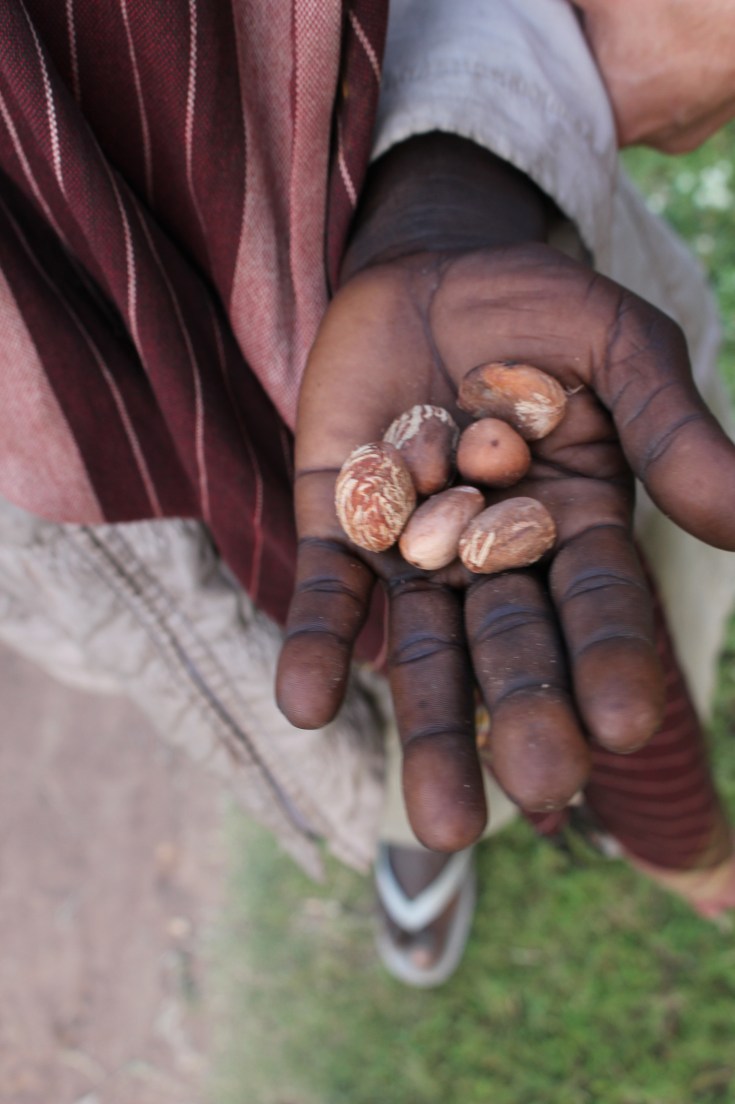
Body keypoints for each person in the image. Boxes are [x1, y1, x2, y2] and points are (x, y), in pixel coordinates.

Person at [0, 0, 733, 991]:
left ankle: (662, 829)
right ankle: (441, 829)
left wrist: (449, 178)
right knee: (363, 671)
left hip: (385, 207)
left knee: (564, 622)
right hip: (109, 433)